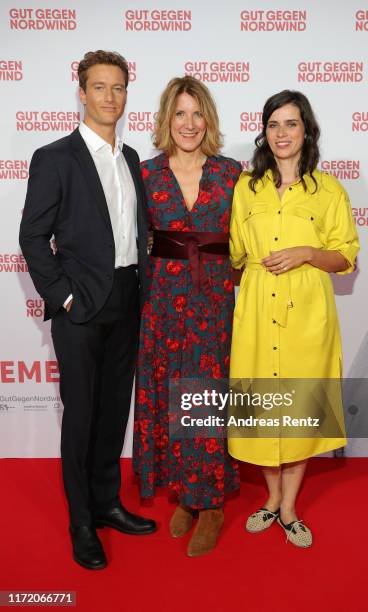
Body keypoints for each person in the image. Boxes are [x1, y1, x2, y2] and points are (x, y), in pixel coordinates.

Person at [19, 50, 156, 570]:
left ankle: (106, 503)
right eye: (99, 87)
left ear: (126, 94)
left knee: (113, 411)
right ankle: (81, 521)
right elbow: (32, 237)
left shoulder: (132, 158)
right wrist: (64, 296)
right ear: (81, 92)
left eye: (118, 88)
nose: (109, 97)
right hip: (80, 306)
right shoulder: (54, 157)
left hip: (127, 300)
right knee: (80, 417)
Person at [228, 90, 359, 547]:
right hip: (260, 306)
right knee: (263, 406)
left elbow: (345, 257)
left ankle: (289, 507)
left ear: (307, 131)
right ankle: (269, 498)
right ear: (263, 132)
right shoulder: (246, 188)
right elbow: (235, 252)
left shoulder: (329, 191)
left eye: (291, 124)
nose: (282, 133)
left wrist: (306, 252)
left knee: (301, 409)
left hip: (307, 311)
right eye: (273, 125)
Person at [133, 76, 241, 557]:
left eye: (198, 114)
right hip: (163, 297)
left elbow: (251, 237)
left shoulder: (233, 172)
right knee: (170, 393)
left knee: (205, 392)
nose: (189, 123)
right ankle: (185, 493)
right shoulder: (146, 174)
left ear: (209, 120)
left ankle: (210, 502)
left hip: (214, 300)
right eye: (180, 113)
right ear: (166, 119)